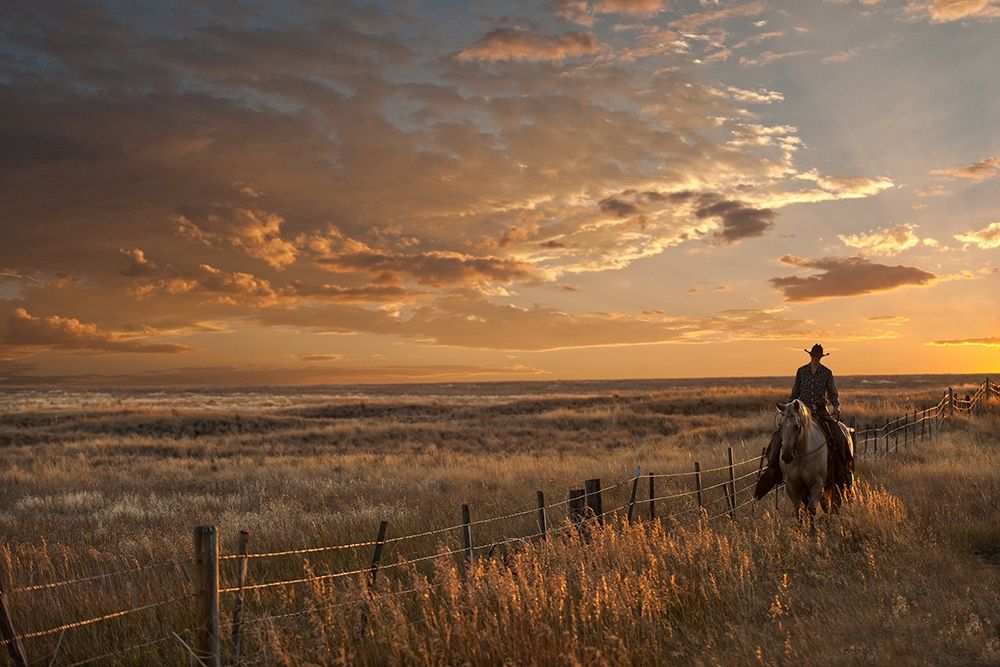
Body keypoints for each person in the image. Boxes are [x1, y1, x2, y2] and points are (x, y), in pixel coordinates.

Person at [754, 343, 853, 500]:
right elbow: (795, 393)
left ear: (820, 357)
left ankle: (843, 470)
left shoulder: (827, 373)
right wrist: (788, 408)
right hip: (801, 411)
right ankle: (772, 469)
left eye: (818, 356)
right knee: (780, 435)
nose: (815, 358)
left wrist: (836, 406)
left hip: (820, 411)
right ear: (810, 356)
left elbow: (833, 392)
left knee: (839, 434)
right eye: (813, 355)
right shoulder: (801, 371)